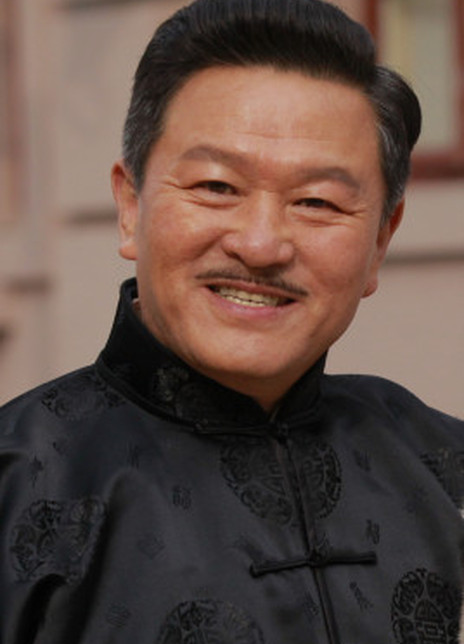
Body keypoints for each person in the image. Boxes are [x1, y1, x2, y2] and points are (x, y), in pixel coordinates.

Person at [1, 0, 463, 642]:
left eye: (317, 201)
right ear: (131, 206)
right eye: (217, 187)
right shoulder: (19, 481)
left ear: (381, 240)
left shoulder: (442, 465)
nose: (261, 244)